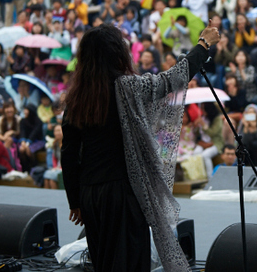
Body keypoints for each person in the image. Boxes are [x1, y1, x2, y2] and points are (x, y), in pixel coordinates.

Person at [61, 24, 219, 271]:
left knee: (103, 262)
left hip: (90, 194)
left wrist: (75, 200)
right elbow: (171, 80)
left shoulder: (76, 97)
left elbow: (68, 153)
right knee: (130, 262)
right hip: (122, 193)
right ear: (117, 52)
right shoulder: (127, 87)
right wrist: (203, 46)